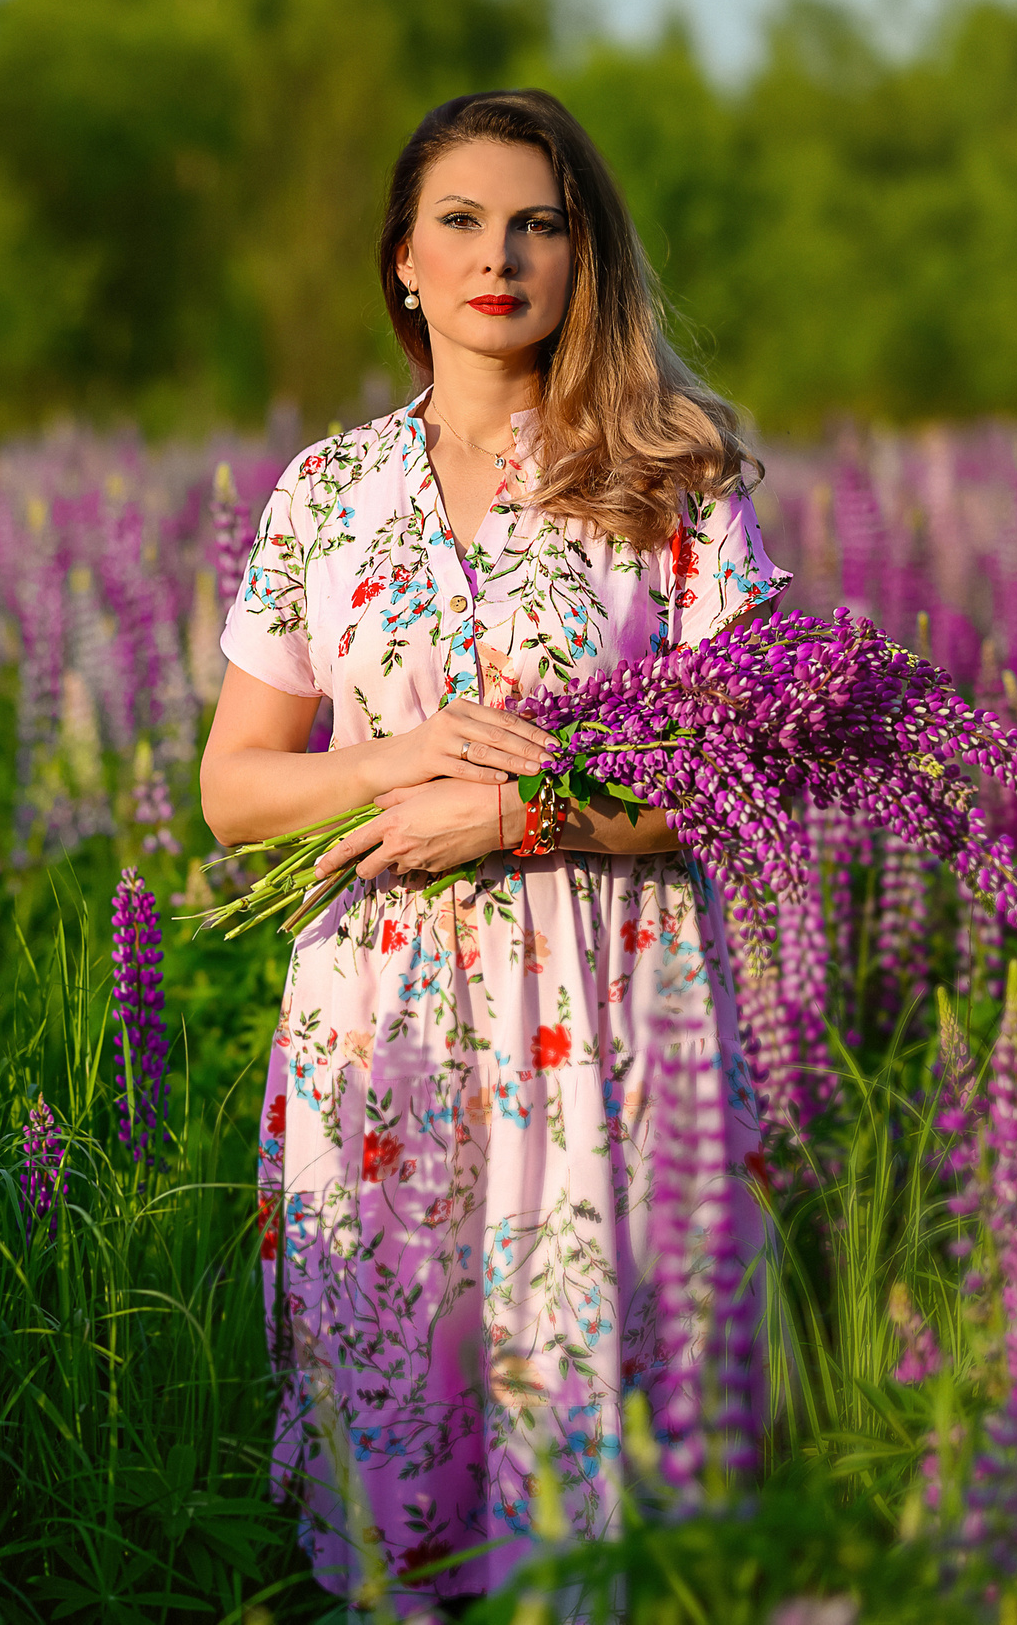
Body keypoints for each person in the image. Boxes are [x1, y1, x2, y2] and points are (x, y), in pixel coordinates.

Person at [198, 88, 789, 1617]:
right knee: (393, 1418)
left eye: (537, 221)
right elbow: (236, 791)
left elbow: (738, 770)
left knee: (596, 1431)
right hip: (377, 1024)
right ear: (401, 259)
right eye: (459, 221)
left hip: (605, 1006)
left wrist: (516, 814)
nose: (498, 255)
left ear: (583, 254)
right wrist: (401, 759)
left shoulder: (674, 478)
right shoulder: (326, 492)